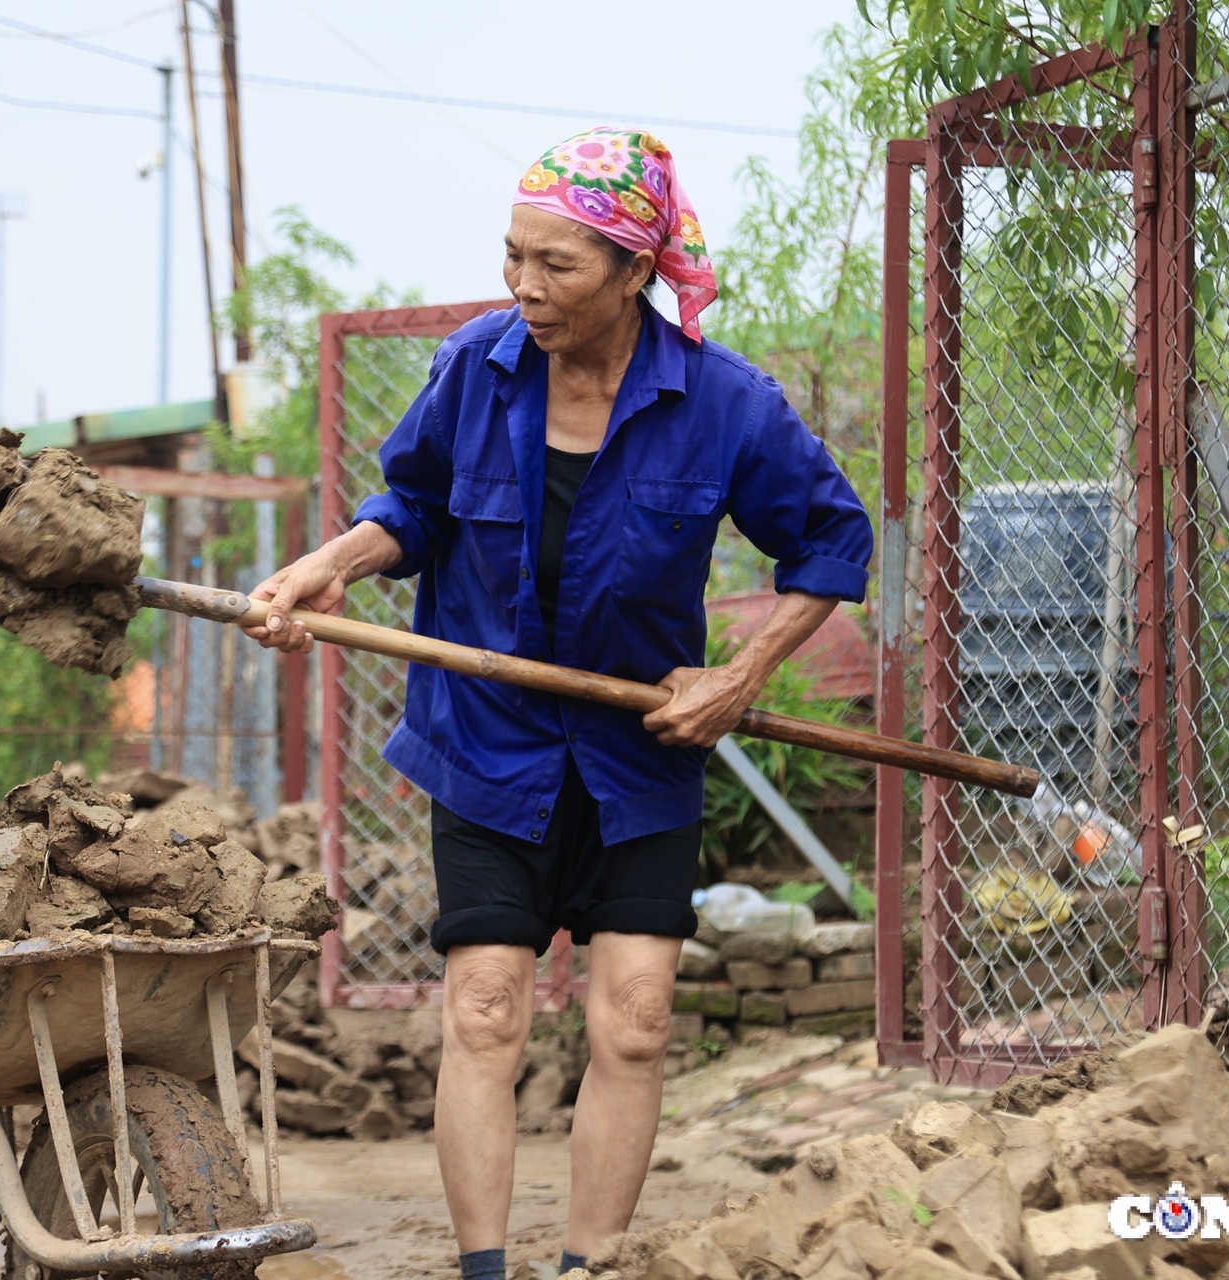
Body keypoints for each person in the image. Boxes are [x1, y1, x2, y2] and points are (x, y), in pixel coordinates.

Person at [244, 128, 872, 1279]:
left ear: (636, 272)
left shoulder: (725, 403)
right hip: (488, 743)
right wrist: (337, 559)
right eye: (513, 256)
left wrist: (741, 675)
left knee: (631, 1019)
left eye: (558, 265)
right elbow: (415, 506)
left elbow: (833, 541)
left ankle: (592, 1267)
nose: (524, 286)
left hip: (641, 754)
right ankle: (486, 1269)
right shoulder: (475, 368)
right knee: (486, 1007)